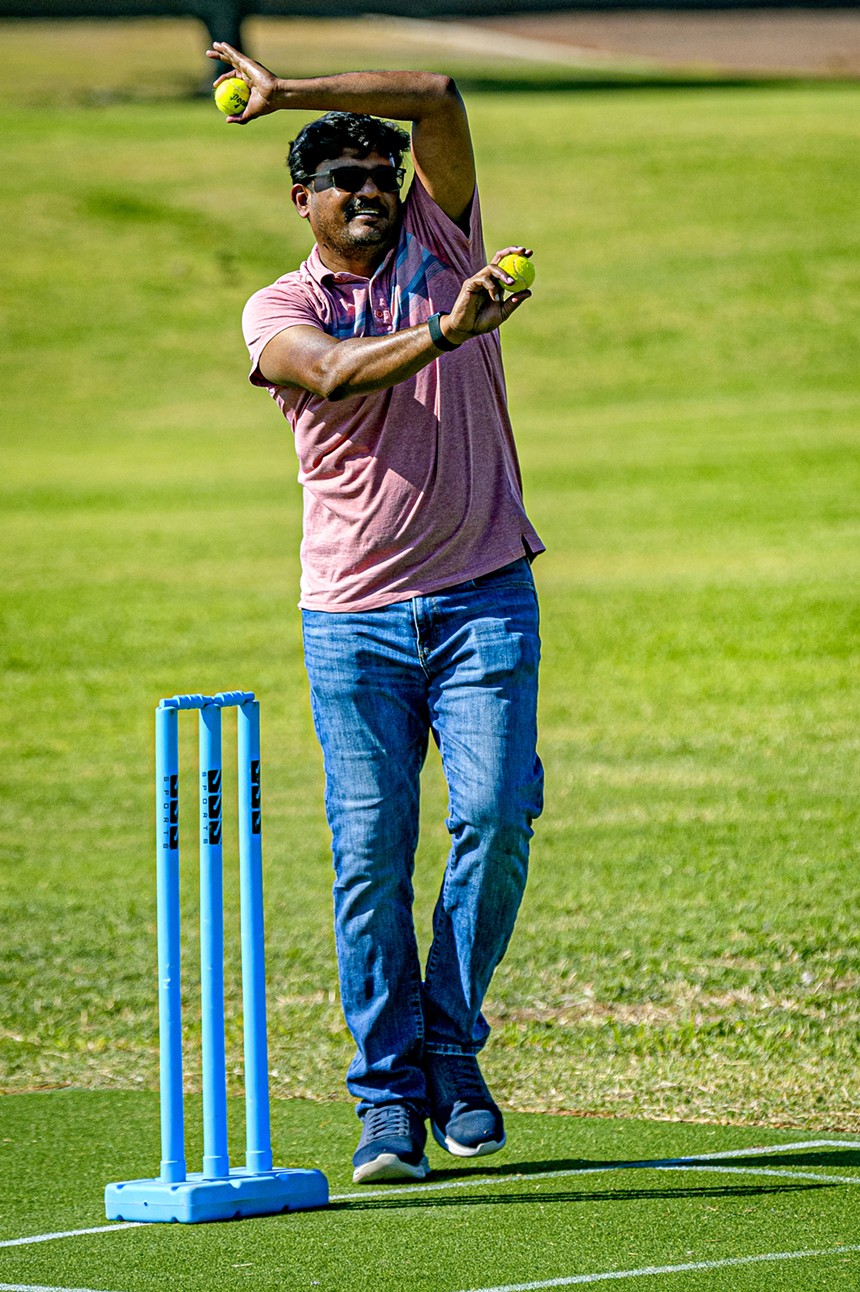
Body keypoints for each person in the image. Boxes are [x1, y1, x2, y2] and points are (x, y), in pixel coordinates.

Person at [207, 41, 545, 1185]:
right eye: (341, 177)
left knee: (496, 814)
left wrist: (289, 90)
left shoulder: (441, 240)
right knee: (368, 859)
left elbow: (439, 97)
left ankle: (447, 1039)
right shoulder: (276, 306)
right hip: (350, 617)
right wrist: (446, 335)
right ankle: (386, 1099)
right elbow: (335, 371)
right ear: (299, 199)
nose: (368, 190)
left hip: (483, 590)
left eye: (379, 172)